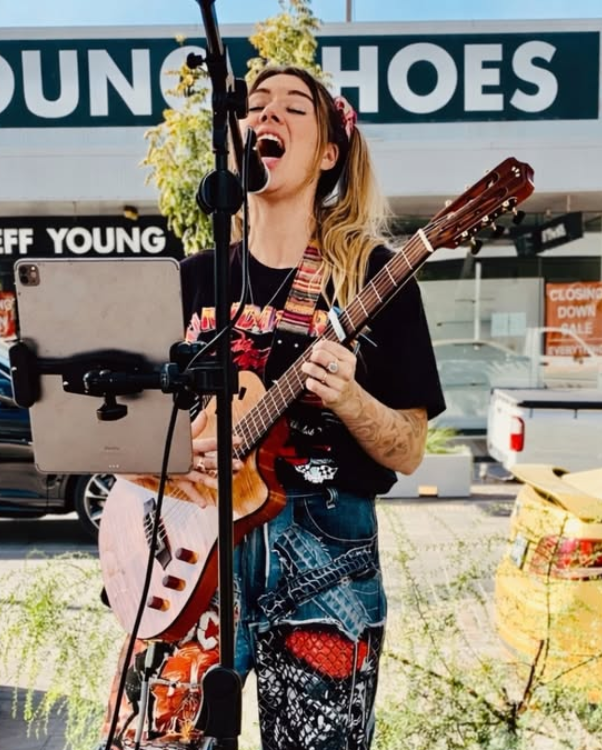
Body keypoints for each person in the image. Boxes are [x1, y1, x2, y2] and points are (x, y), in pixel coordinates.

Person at [101, 65, 445, 750]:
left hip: (325, 556)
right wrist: (175, 456)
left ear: (329, 153)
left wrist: (349, 398)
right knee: (154, 741)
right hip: (190, 550)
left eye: (293, 108)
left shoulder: (373, 278)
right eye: (256, 105)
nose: (267, 116)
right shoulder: (193, 279)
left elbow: (409, 448)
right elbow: (128, 429)